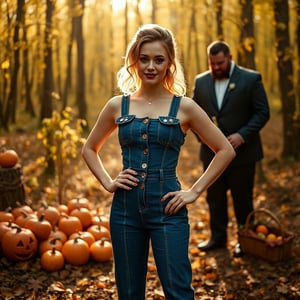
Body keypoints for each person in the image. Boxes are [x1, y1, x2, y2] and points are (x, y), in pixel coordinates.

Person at [82, 25, 235, 300]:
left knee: (178, 291)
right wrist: (108, 181)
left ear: (169, 63)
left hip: (168, 210)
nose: (150, 66)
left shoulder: (185, 106)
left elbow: (224, 149)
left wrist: (194, 191)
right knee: (128, 293)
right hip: (125, 212)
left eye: (159, 59)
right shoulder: (118, 105)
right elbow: (89, 148)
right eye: (144, 59)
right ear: (134, 60)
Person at [192, 41, 270, 256]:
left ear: (230, 58)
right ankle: (218, 238)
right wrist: (205, 139)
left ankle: (245, 240)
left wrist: (241, 136)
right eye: (212, 63)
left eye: (220, 63)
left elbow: (263, 112)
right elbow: (192, 116)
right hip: (210, 154)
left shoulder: (251, 79)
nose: (216, 67)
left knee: (242, 199)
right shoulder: (200, 82)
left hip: (243, 155)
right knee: (214, 198)